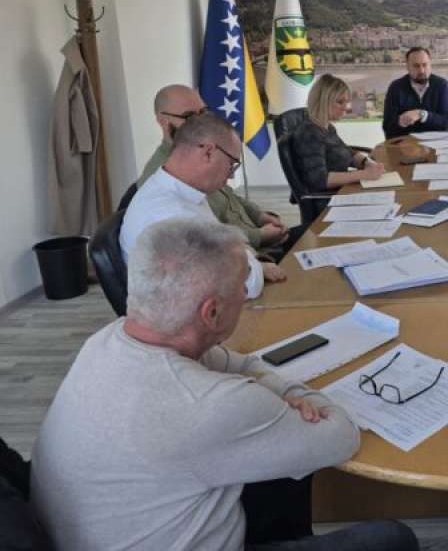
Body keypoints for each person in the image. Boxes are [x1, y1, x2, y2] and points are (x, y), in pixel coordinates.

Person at [31, 217, 418, 551]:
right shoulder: (203, 404)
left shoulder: (113, 337)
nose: (247, 295)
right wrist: (291, 394)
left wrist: (274, 393)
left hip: (116, 528)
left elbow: (239, 362)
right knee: (393, 539)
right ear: (212, 312)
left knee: (285, 462)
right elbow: (341, 435)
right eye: (241, 288)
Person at [121, 112, 286, 300]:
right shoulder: (174, 215)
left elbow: (232, 253)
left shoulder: (178, 189)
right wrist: (248, 258)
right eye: (232, 164)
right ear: (208, 153)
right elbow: (245, 285)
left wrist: (242, 254)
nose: (232, 175)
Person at [139, 84, 302, 260]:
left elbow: (229, 196)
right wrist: (260, 236)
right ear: (163, 121)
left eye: (203, 112)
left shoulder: (200, 154)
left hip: (255, 246)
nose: (201, 123)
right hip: (243, 257)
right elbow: (211, 240)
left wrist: (259, 216)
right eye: (189, 116)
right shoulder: (171, 174)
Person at [291, 74, 386, 191]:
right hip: (329, 197)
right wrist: (365, 174)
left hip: (342, 189)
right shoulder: (309, 134)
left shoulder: (327, 127)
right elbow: (320, 180)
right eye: (340, 102)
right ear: (323, 101)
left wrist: (366, 162)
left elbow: (347, 152)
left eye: (346, 102)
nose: (345, 108)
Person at [382, 47, 448, 139]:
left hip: (435, 143)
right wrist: (400, 122)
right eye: (416, 66)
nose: (421, 70)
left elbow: (446, 122)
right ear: (407, 67)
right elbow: (387, 126)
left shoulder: (442, 85)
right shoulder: (395, 87)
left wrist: (422, 114)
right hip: (405, 144)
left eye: (425, 65)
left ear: (430, 65)